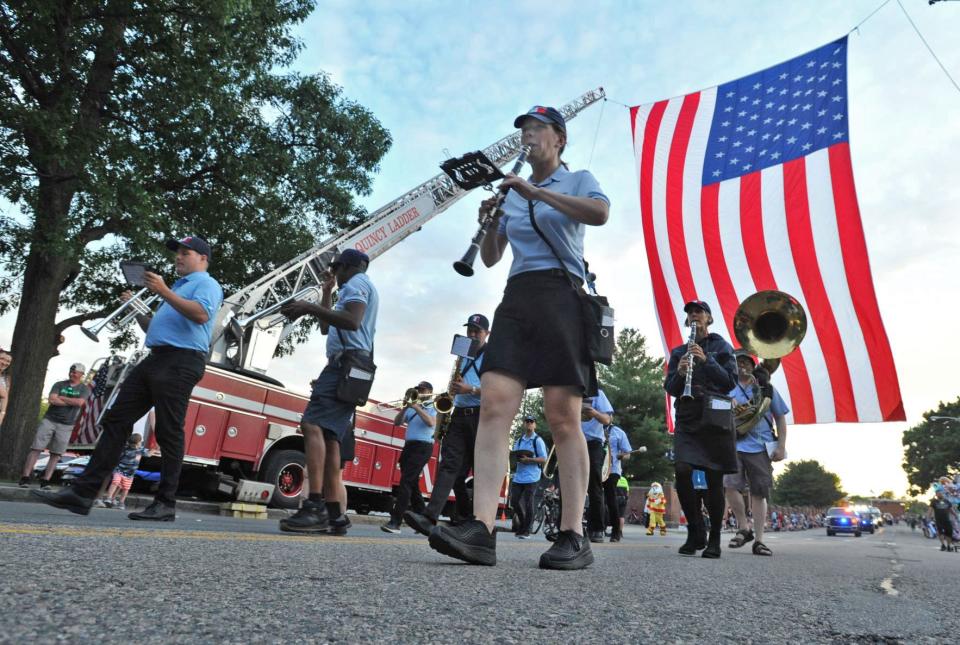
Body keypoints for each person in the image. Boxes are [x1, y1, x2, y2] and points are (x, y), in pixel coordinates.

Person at [427, 104, 610, 570]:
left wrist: (535, 193)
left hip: (562, 295)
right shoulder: (511, 194)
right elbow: (491, 258)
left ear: (558, 139)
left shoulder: (577, 179)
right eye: (523, 130)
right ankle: (482, 528)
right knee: (494, 402)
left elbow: (599, 213)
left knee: (563, 416)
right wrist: (490, 221)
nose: (527, 136)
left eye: (536, 129)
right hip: (518, 296)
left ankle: (573, 532)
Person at [34, 236, 223, 521]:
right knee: (116, 420)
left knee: (169, 431)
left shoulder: (206, 284)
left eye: (186, 253)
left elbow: (200, 314)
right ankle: (83, 493)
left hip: (181, 360)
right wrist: (138, 309)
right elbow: (154, 329)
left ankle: (166, 503)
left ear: (203, 259)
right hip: (156, 357)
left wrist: (162, 291)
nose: (179, 257)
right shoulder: (178, 288)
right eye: (177, 253)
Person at [276, 248, 378, 534]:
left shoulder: (357, 283)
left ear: (345, 267)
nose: (335, 274)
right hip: (353, 363)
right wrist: (326, 294)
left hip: (344, 364)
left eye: (336, 269)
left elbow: (352, 320)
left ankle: (314, 508)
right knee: (332, 437)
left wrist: (308, 307)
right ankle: (335, 514)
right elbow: (326, 327)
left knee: (311, 424)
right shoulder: (353, 287)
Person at [664, 300, 738, 559]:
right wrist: (681, 373)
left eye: (699, 311)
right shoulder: (678, 352)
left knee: (714, 477)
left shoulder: (723, 347)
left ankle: (714, 538)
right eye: (690, 312)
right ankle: (695, 530)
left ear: (709, 318)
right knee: (682, 470)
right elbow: (670, 389)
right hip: (688, 414)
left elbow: (729, 383)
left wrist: (706, 361)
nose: (694, 314)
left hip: (715, 417)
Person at [404, 314, 489, 535]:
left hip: (482, 416)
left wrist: (470, 390)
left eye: (476, 331)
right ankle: (430, 517)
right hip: (459, 414)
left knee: (476, 471)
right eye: (469, 330)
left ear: (487, 334)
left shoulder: (493, 355)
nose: (471, 334)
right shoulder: (463, 353)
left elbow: (499, 390)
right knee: (449, 466)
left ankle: (472, 520)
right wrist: (452, 391)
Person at [724, 350, 789, 556]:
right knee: (730, 486)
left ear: (753, 366)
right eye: (738, 362)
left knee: (759, 492)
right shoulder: (727, 389)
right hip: (734, 444)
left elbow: (780, 417)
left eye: (746, 362)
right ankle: (744, 527)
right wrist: (728, 404)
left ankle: (759, 540)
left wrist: (781, 445)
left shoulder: (766, 389)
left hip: (760, 446)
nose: (742, 365)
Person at [19, 363, 90, 488]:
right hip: (49, 420)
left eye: (75, 372)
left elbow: (79, 403)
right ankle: (25, 477)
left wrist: (62, 398)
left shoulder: (84, 389)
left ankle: (46, 480)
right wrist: (70, 402)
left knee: (56, 453)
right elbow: (52, 400)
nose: (72, 373)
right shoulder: (59, 384)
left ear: (81, 374)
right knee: (36, 448)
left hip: (67, 424)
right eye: (71, 371)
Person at [381, 381, 437, 534]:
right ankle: (424, 520)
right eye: (417, 390)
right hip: (409, 447)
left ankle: (396, 522)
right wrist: (406, 407)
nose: (419, 392)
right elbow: (397, 422)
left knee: (405, 482)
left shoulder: (435, 406)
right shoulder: (412, 407)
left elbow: (431, 423)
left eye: (422, 390)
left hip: (423, 447)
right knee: (412, 484)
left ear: (430, 391)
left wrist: (416, 407)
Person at [580, 389, 614, 543]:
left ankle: (597, 528)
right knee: (569, 484)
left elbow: (607, 419)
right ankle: (566, 527)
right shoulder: (571, 390)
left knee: (594, 487)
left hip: (593, 443)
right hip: (573, 442)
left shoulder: (597, 393)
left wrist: (593, 413)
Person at [510, 415, 547, 539]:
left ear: (535, 425)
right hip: (519, 476)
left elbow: (543, 459)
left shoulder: (538, 440)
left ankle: (526, 530)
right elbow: (514, 456)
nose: (529, 424)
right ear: (524, 424)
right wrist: (514, 459)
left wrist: (529, 459)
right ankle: (523, 523)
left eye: (531, 422)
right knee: (514, 501)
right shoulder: (519, 441)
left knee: (528, 502)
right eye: (527, 421)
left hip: (532, 476)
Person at [95, 433, 150, 510]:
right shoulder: (127, 448)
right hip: (120, 470)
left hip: (129, 474)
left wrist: (153, 450)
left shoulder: (141, 450)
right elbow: (120, 456)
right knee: (115, 482)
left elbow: (148, 453)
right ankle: (109, 498)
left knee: (125, 488)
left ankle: (120, 502)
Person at [603, 421, 633, 542]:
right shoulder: (593, 429)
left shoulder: (619, 432)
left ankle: (616, 531)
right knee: (597, 498)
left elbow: (628, 454)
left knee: (611, 499)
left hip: (612, 470)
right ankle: (595, 529)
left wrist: (622, 456)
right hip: (596, 468)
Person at [0, 350, 12, 427]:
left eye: (8, 361)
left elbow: (5, 397)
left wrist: (2, 414)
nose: (5, 363)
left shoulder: (7, 378)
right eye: (2, 358)